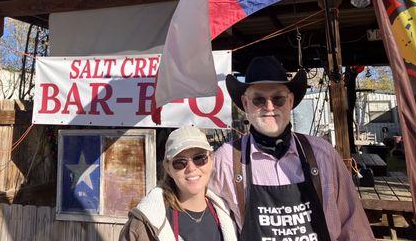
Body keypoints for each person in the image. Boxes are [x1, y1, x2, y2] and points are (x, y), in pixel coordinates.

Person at [209, 56, 374, 240]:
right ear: (246, 104)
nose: (269, 107)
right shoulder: (226, 160)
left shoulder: (322, 154)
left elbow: (355, 228)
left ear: (290, 101)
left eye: (278, 98)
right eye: (259, 100)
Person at [119, 126, 238, 241]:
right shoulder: (145, 223)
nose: (191, 168)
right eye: (180, 163)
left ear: (211, 160)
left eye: (199, 158)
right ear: (168, 168)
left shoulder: (230, 215)